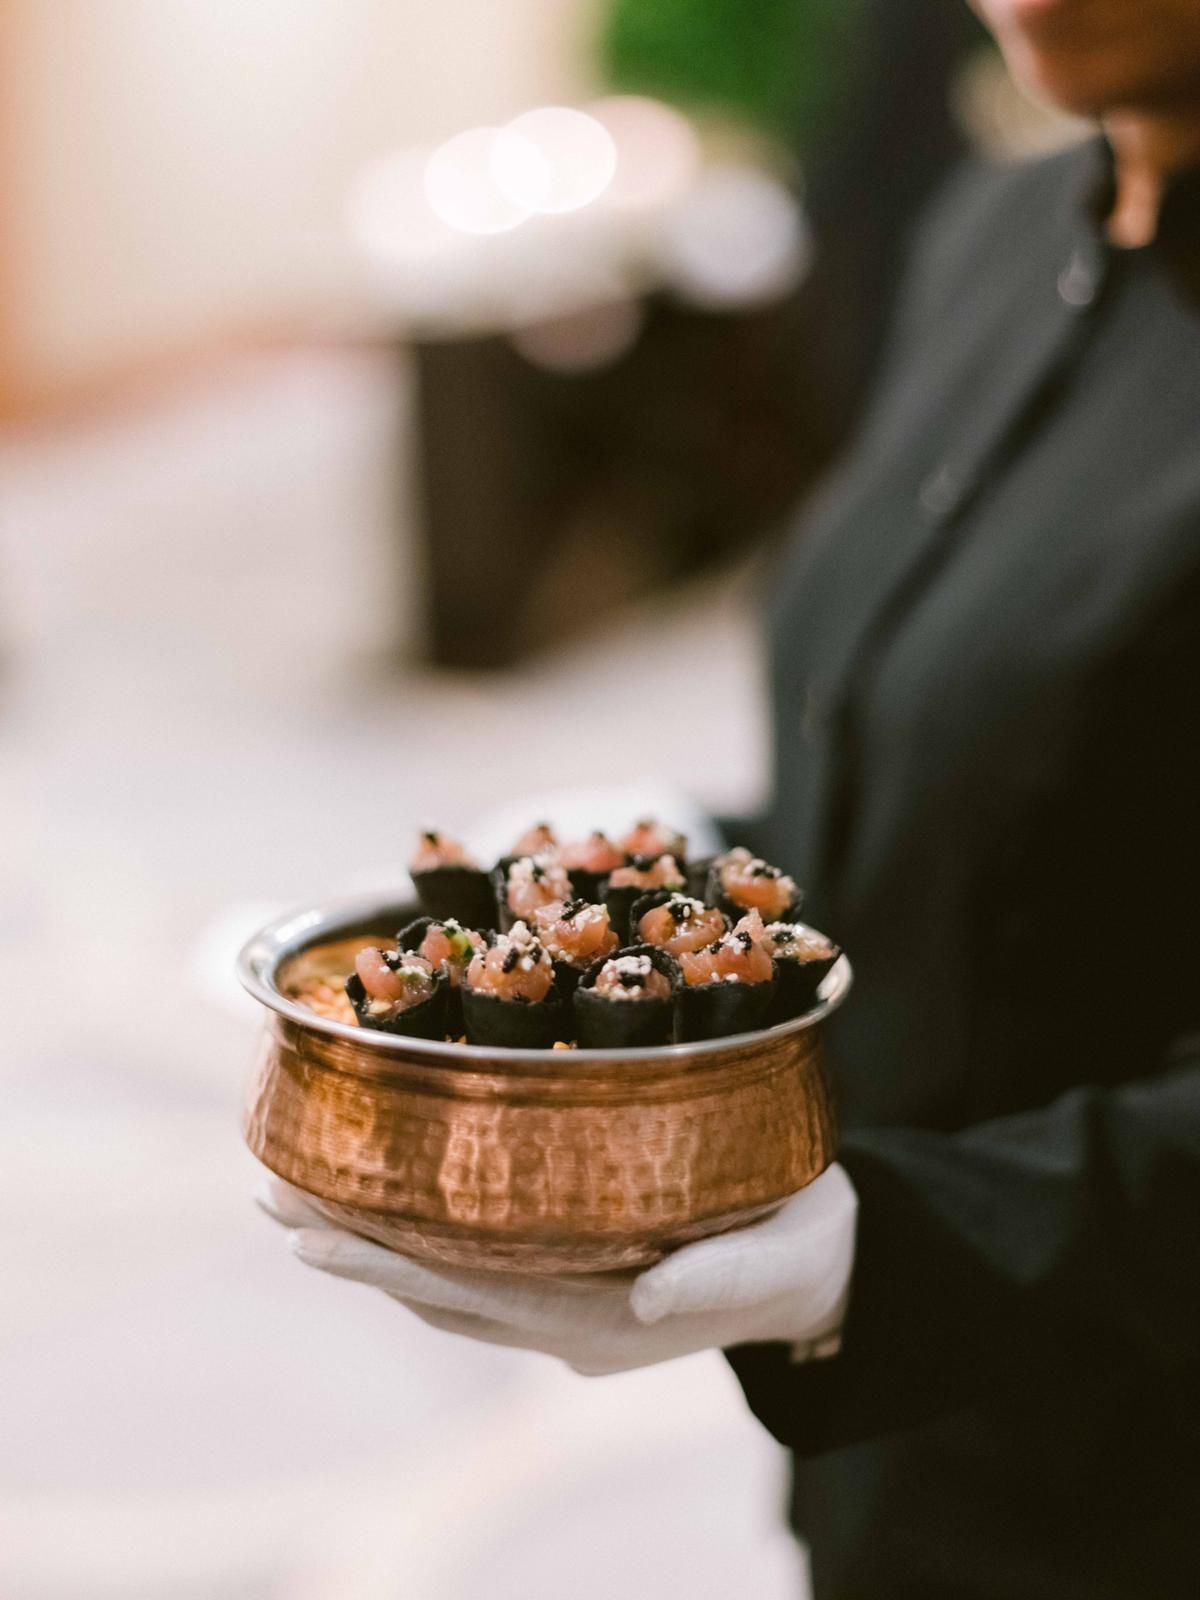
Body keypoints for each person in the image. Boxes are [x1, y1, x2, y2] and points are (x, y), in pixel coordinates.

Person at [261, 2, 1200, 1592]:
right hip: (914, 1458)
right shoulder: (991, 231)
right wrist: (691, 853)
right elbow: (1032, 777)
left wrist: (889, 1260)